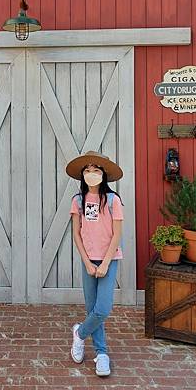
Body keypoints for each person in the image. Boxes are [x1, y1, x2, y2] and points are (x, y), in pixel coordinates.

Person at [66, 150, 124, 377]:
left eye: (96, 170)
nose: (91, 174)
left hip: (109, 259)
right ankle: (101, 354)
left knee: (102, 309)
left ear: (103, 174)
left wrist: (105, 263)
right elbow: (76, 234)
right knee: (91, 309)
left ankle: (80, 333)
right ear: (82, 175)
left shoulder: (112, 200)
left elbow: (117, 234)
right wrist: (88, 263)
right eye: (87, 170)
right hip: (88, 261)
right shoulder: (78, 200)